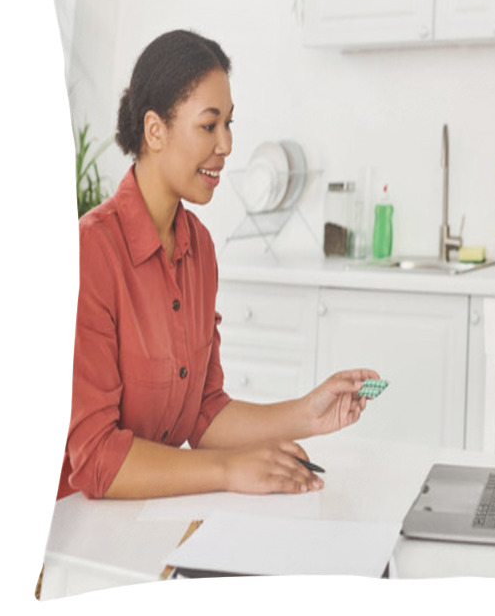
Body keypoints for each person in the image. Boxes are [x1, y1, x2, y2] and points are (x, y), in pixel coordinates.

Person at [58, 29, 379, 501]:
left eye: (229, 124)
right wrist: (228, 470)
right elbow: (97, 459)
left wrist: (308, 412)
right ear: (155, 130)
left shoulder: (199, 249)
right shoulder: (90, 252)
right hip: (74, 536)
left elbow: (203, 414)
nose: (226, 144)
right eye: (209, 126)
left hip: (149, 519)